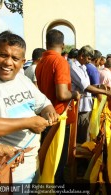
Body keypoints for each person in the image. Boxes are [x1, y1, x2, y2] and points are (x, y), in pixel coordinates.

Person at [0, 32, 59, 183]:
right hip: (5, 175)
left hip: (32, 165)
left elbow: (44, 103)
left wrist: (49, 112)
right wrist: (29, 122)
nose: (8, 62)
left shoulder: (22, 80)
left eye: (15, 58)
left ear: (22, 62)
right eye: (3, 55)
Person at [35, 29, 80, 183]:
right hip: (58, 119)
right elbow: (62, 94)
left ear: (46, 44)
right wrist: (74, 94)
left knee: (47, 163)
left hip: (45, 117)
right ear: (63, 45)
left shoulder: (41, 62)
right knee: (57, 166)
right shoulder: (60, 61)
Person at [70, 45, 111, 144]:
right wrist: (106, 92)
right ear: (81, 56)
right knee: (80, 137)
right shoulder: (74, 67)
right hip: (80, 107)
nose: (89, 61)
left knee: (84, 134)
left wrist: (101, 87)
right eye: (88, 58)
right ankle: (78, 157)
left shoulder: (83, 66)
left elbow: (89, 85)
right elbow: (86, 87)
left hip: (85, 104)